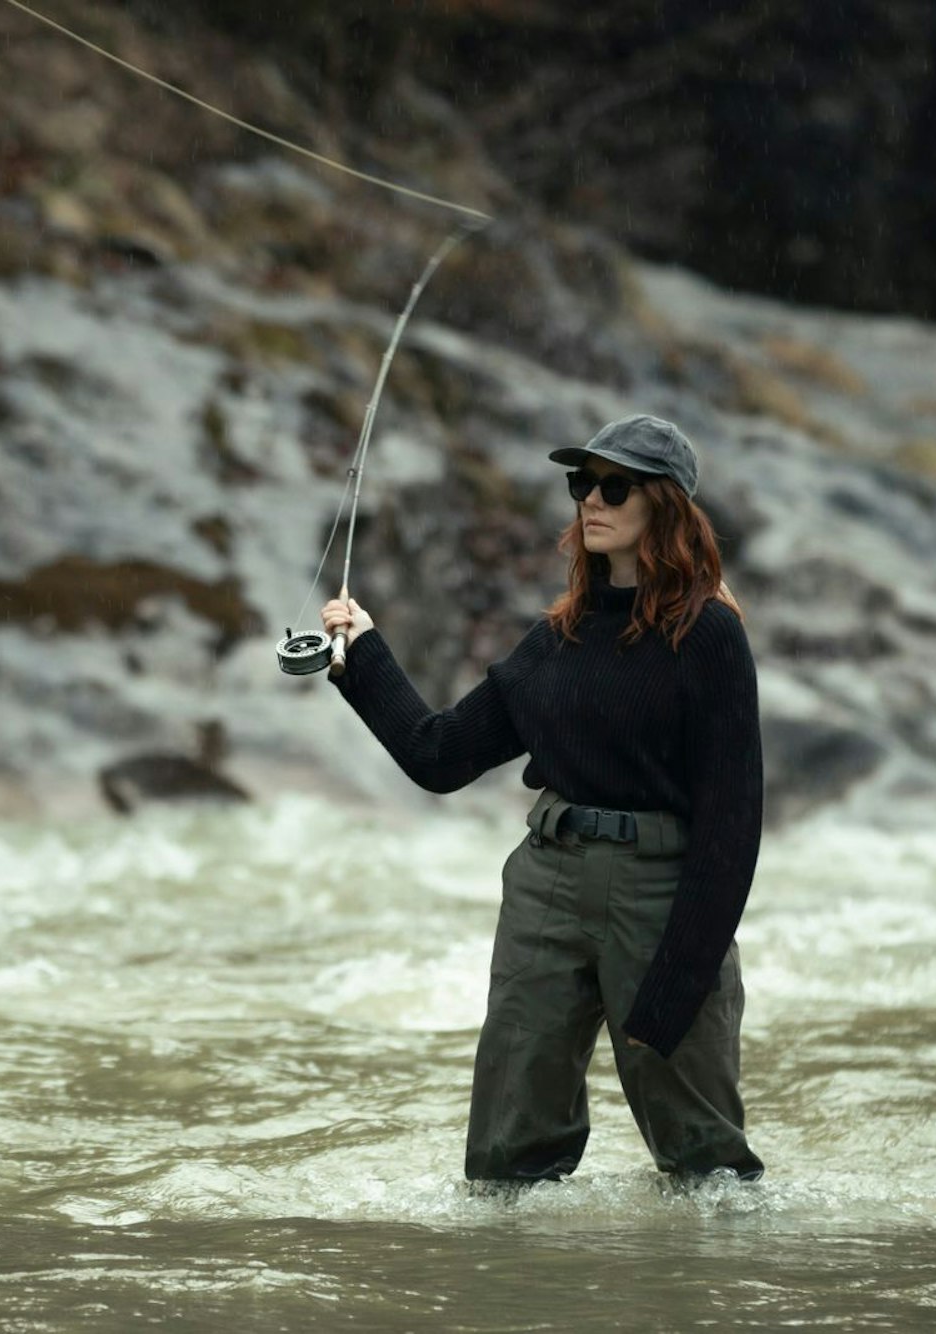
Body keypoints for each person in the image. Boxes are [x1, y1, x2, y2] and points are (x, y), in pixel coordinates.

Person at [320, 413, 766, 1188]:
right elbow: (439, 755)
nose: (591, 500)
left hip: (661, 897)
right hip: (545, 885)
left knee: (707, 1171)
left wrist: (679, 977)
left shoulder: (710, 638)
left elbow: (732, 825)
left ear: (663, 505)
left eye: (614, 486)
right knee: (505, 1163)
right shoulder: (553, 640)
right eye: (581, 483)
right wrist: (361, 651)